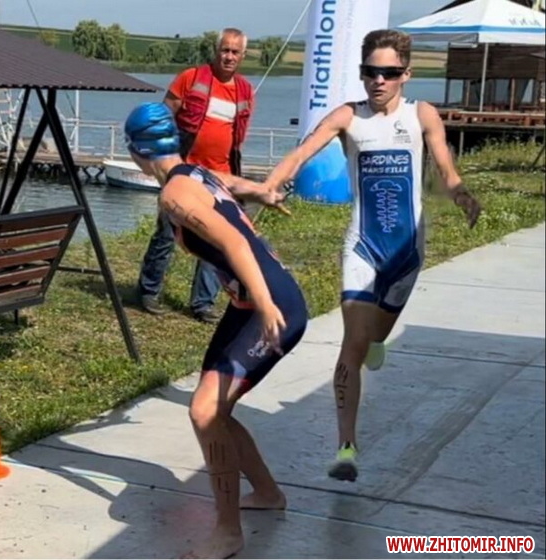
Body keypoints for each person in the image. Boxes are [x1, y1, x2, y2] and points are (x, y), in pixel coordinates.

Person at [262, 29, 482, 483]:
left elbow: (445, 169)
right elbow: (302, 153)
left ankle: (379, 337)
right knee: (354, 343)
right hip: (362, 247)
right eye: (370, 72)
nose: (378, 80)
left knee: (375, 337)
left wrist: (461, 195)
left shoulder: (421, 115)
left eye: (389, 73)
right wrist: (270, 183)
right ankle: (346, 446)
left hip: (406, 253)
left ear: (406, 74)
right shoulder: (349, 116)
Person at [124, 101, 308, 559]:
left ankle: (227, 533)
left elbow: (234, 241)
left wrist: (264, 304)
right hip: (250, 305)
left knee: (205, 412)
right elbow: (231, 184)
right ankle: (267, 493)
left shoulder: (174, 197)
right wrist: (263, 192)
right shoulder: (195, 174)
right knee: (216, 411)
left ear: (136, 152)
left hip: (270, 306)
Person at [136, 28, 255, 323]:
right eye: (225, 50)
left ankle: (203, 303)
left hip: (220, 177)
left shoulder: (245, 90)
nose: (229, 57)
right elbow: (162, 117)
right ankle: (148, 290)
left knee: (215, 239)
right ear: (216, 51)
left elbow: (238, 136)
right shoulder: (190, 78)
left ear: (242, 55)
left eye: (235, 52)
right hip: (183, 171)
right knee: (167, 233)